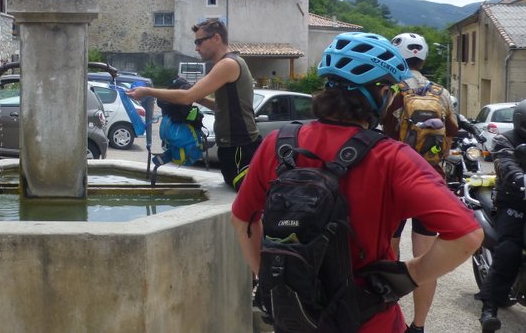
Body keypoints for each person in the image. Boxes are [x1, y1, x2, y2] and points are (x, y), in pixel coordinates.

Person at [231, 32, 483, 332]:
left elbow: (242, 219)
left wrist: (272, 282)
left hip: (296, 315)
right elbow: (467, 236)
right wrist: (412, 273)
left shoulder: (279, 143)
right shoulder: (392, 157)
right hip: (367, 319)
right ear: (381, 94)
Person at [381, 33, 459, 333]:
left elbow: (381, 130)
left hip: (395, 179)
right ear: (423, 59)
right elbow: (451, 133)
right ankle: (419, 326)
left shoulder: (392, 89)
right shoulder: (441, 92)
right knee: (425, 258)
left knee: (389, 251)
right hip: (430, 179)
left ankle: (388, 316)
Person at [128, 17, 259, 190]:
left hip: (240, 148)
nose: (196, 48)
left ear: (216, 38)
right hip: (234, 148)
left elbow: (186, 97)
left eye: (199, 42)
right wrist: (200, 97)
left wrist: (147, 92)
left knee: (245, 208)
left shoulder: (228, 64)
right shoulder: (226, 64)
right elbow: (219, 107)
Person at [477, 99, 526, 332]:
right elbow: (506, 164)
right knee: (510, 249)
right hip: (514, 201)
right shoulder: (504, 139)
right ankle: (489, 309)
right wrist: (521, 179)